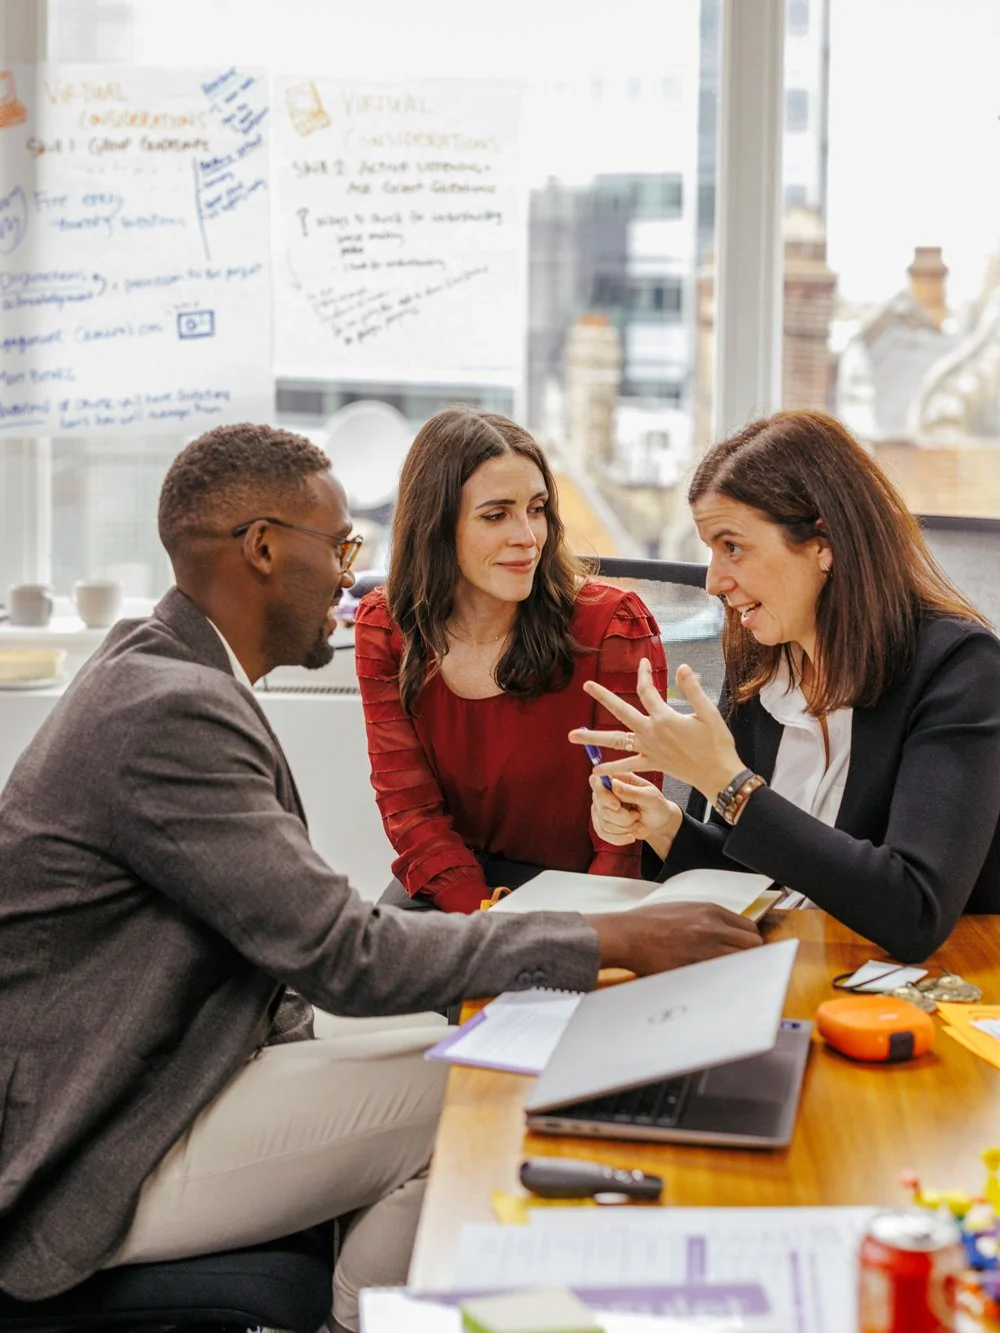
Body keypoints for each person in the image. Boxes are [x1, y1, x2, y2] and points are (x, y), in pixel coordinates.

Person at [0, 422, 761, 1333]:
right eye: (340, 547)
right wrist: (617, 935)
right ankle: (361, 1317)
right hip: (95, 1148)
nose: (353, 576)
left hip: (177, 1070)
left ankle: (352, 1305)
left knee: (468, 1065)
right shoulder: (171, 710)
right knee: (494, 1087)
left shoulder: (163, 667)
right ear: (265, 548)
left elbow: (297, 935)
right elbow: (343, 953)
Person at [571, 410, 1000, 964]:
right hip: (784, 970)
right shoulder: (761, 668)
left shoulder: (960, 670)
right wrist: (666, 827)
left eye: (732, 546)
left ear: (823, 542)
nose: (713, 582)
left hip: (913, 996)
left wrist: (728, 782)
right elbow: (763, 876)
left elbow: (915, 909)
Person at [354, 407, 667, 913]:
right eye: (496, 515)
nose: (528, 537)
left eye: (537, 509)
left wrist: (565, 937)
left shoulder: (613, 626)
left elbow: (622, 838)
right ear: (436, 525)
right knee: (377, 978)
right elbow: (410, 812)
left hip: (584, 893)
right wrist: (484, 916)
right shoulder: (387, 626)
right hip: (455, 886)